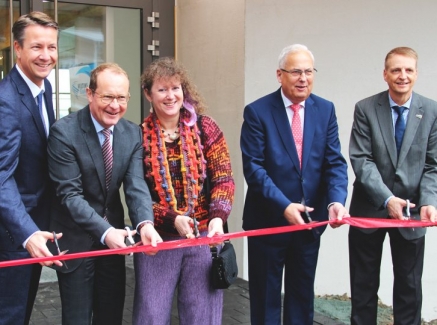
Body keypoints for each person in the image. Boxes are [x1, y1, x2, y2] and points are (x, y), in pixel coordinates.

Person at [240, 44, 349, 325]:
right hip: (268, 222)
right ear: (280, 75)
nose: (303, 78)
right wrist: (284, 206)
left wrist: (336, 201)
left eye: (309, 71)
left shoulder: (325, 110)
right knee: (265, 302)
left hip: (309, 223)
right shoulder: (257, 112)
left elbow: (335, 163)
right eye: (296, 71)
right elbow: (254, 169)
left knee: (301, 300)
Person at [47, 62, 163, 325]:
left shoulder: (132, 133)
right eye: (107, 97)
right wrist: (107, 231)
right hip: (76, 241)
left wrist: (145, 223)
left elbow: (135, 185)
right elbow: (70, 196)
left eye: (121, 98)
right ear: (90, 94)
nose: (115, 105)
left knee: (110, 317)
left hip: (114, 246)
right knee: (76, 319)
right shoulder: (64, 132)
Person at [133, 57, 235, 325]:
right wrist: (171, 219)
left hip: (203, 240)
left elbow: (224, 179)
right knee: (150, 317)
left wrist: (217, 218)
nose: (170, 96)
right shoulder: (136, 137)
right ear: (148, 94)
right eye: (162, 89)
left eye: (176, 88)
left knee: (202, 317)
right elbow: (137, 194)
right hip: (156, 242)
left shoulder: (206, 128)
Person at [348, 46, 437, 325]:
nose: (402, 76)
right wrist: (387, 199)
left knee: (409, 290)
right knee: (363, 289)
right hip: (369, 208)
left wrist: (428, 202)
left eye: (408, 70)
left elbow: (433, 165)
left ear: (416, 74)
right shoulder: (365, 108)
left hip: (412, 213)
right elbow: (361, 160)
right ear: (385, 74)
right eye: (396, 70)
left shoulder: (432, 110)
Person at [0, 11, 64, 325]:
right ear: (18, 49)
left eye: (51, 47)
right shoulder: (6, 100)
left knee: (22, 310)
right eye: (37, 47)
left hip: (36, 224)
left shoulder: (43, 88)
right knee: (9, 314)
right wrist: (26, 234)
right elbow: (2, 176)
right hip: (13, 233)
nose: (46, 55)